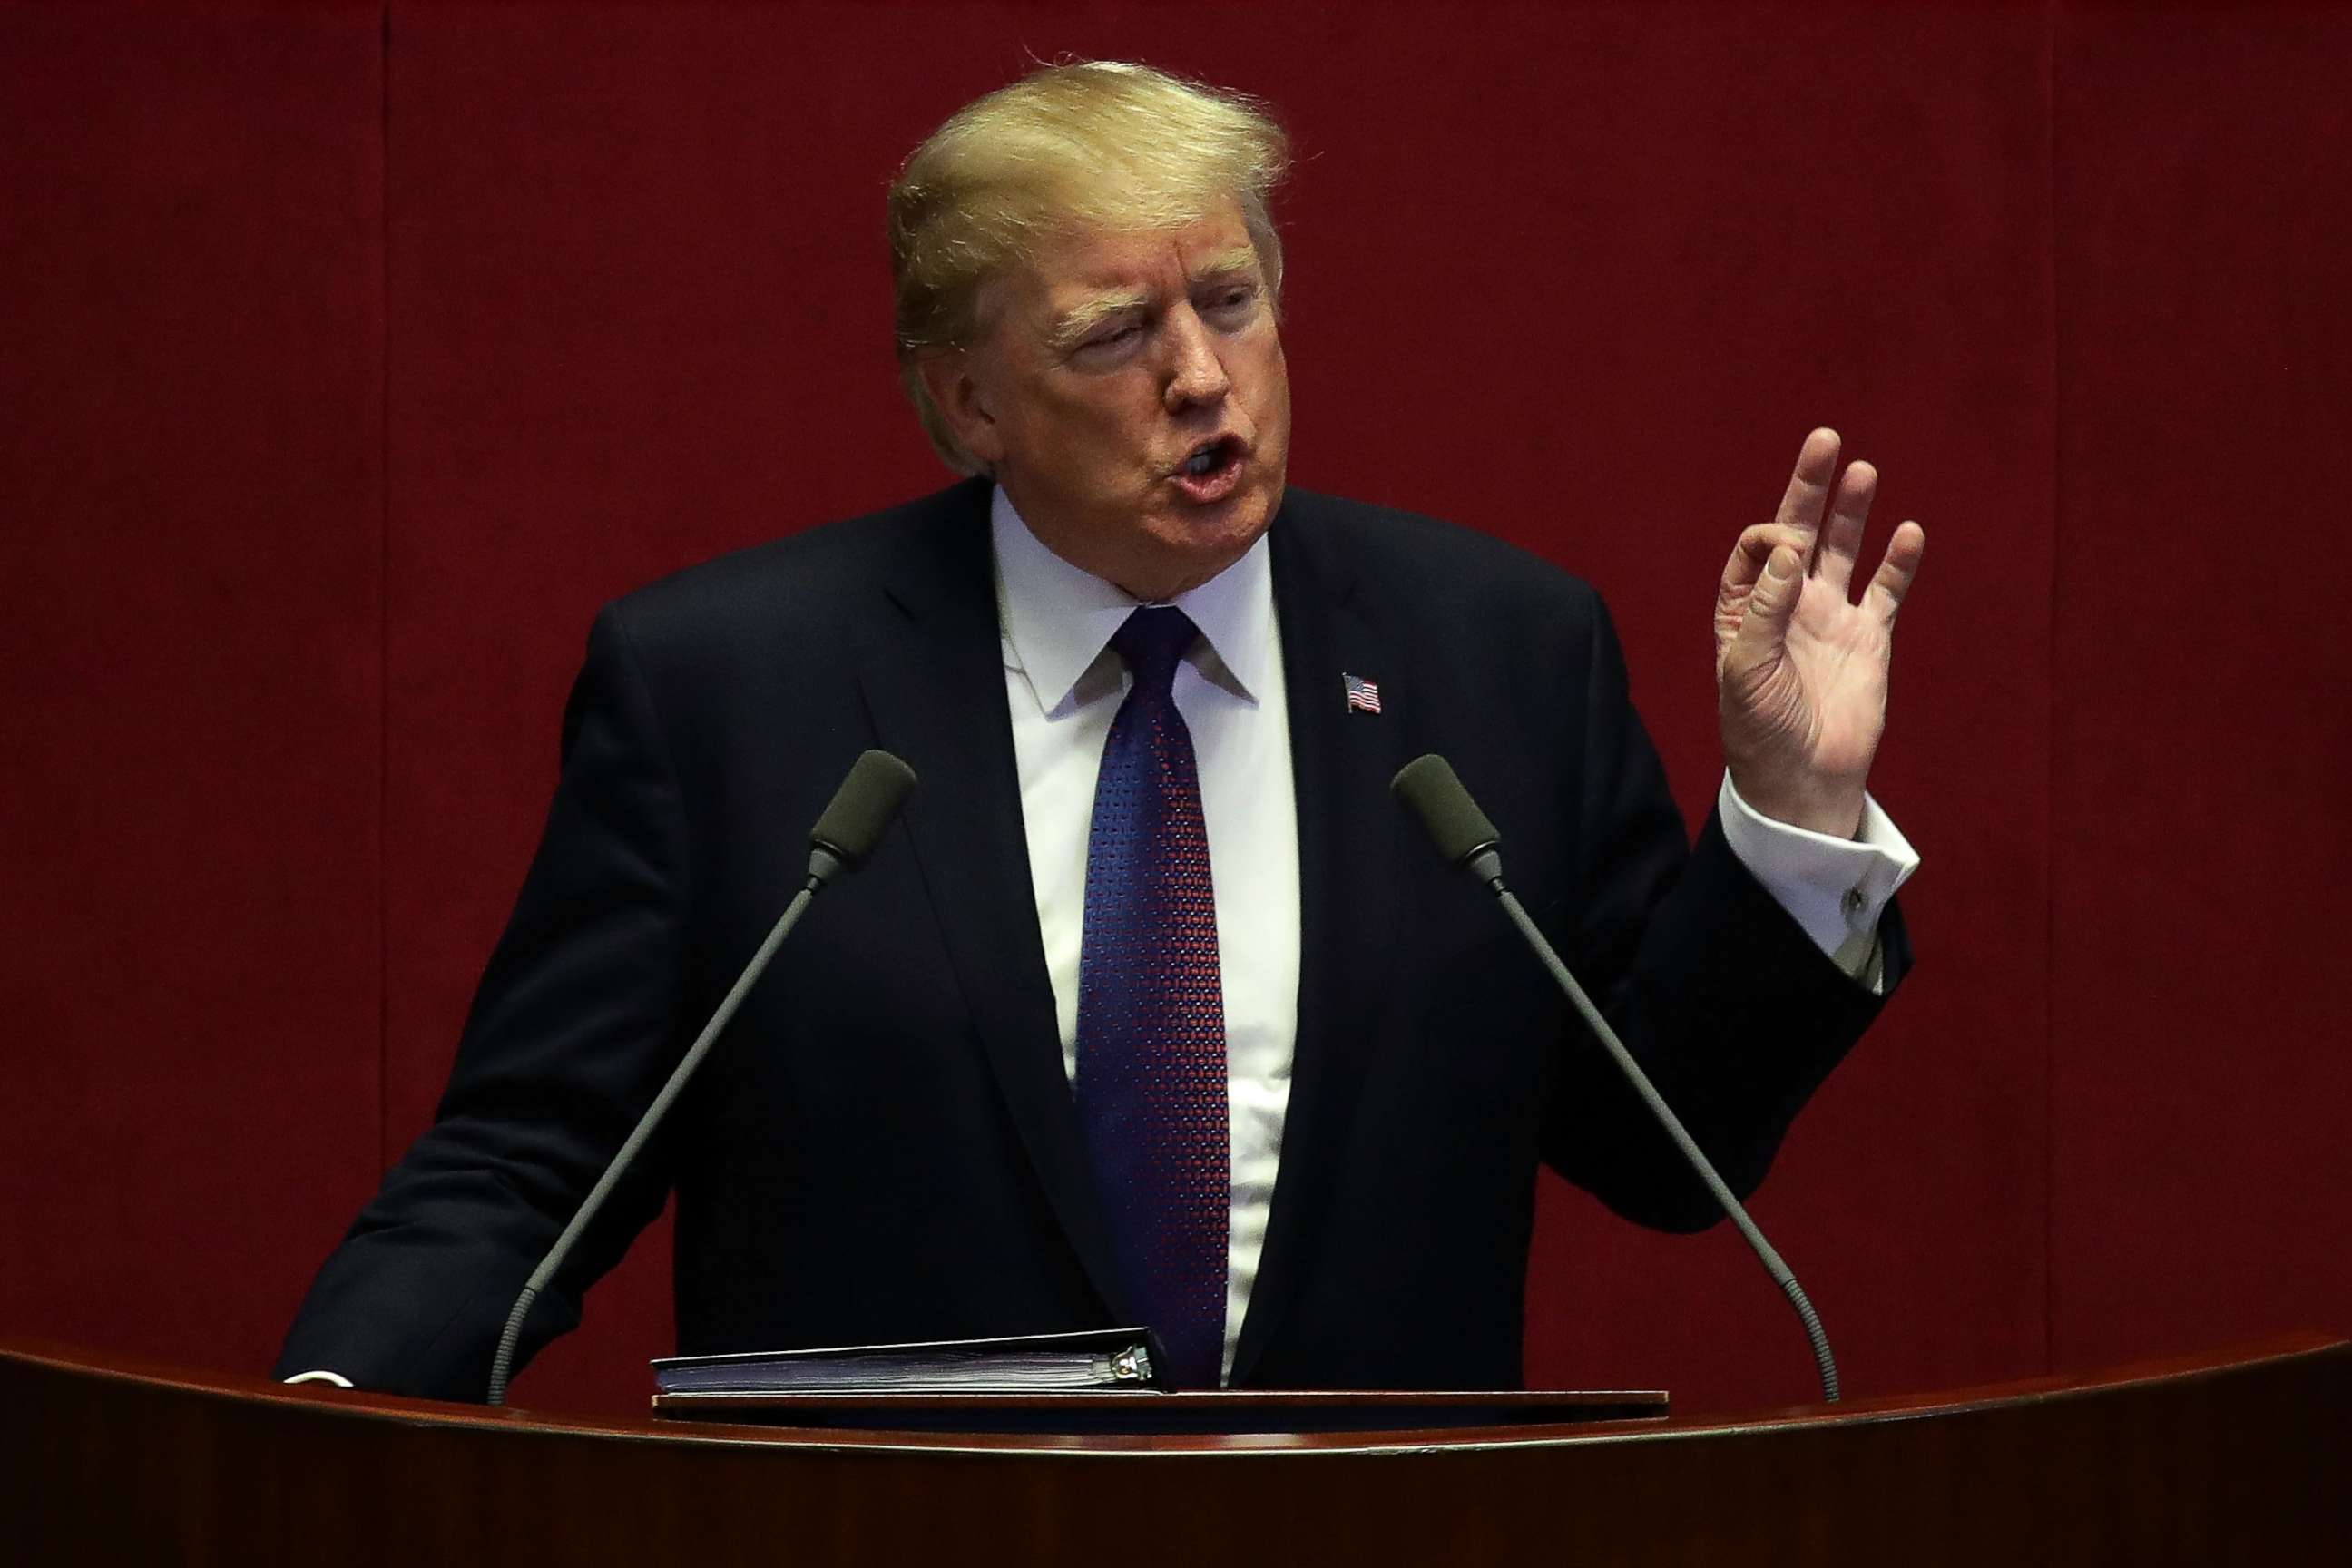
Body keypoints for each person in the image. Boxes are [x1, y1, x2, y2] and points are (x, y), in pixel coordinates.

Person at [277, 61, 1923, 1400]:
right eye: (1116, 335)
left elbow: (1666, 1143)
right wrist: (338, 1412)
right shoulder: (729, 688)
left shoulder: (1489, 653)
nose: (1205, 377)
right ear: (967, 399)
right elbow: (533, 1157)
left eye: (1232, 298)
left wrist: (1789, 815)